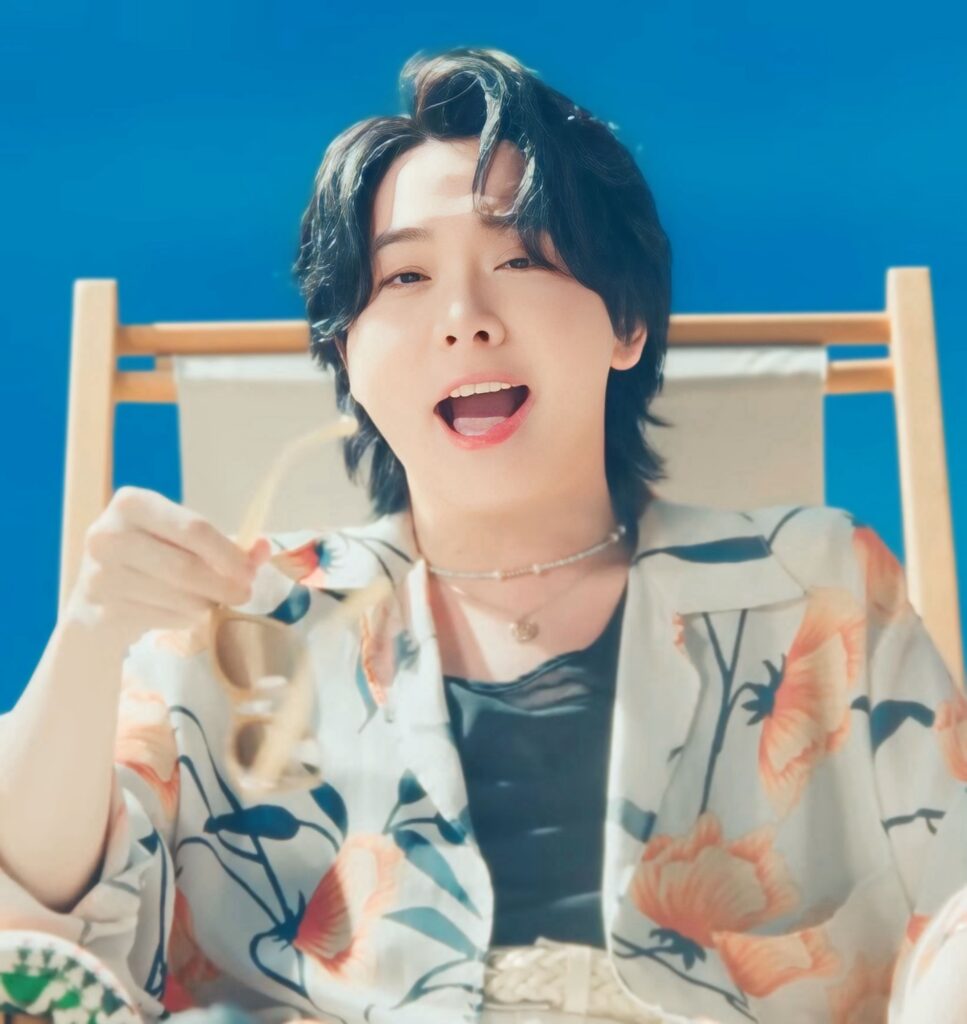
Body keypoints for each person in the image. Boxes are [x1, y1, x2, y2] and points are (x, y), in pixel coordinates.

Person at [1, 45, 965, 1024]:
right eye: (405, 276)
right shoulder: (230, 619)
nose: (465, 320)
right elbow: (37, 912)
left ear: (625, 322)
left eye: (519, 258)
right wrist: (87, 635)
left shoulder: (811, 582)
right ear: (346, 353)